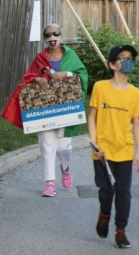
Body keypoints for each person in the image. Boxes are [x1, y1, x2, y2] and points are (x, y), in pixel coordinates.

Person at [2, 23, 88, 197]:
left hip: (66, 108)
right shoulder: (40, 58)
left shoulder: (71, 56)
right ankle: (49, 183)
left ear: (61, 35)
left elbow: (82, 75)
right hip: (44, 108)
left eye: (55, 34)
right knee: (47, 145)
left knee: (64, 147)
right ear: (44, 39)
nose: (52, 38)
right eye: (48, 35)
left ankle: (65, 168)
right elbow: (28, 77)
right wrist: (37, 79)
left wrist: (66, 74)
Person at [88, 44, 139, 248]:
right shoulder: (100, 87)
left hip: (124, 150)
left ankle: (121, 230)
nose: (127, 61)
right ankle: (104, 213)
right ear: (112, 64)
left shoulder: (135, 93)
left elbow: (137, 123)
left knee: (123, 192)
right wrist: (94, 142)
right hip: (102, 150)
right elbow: (92, 117)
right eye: (122, 57)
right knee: (106, 190)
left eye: (130, 58)